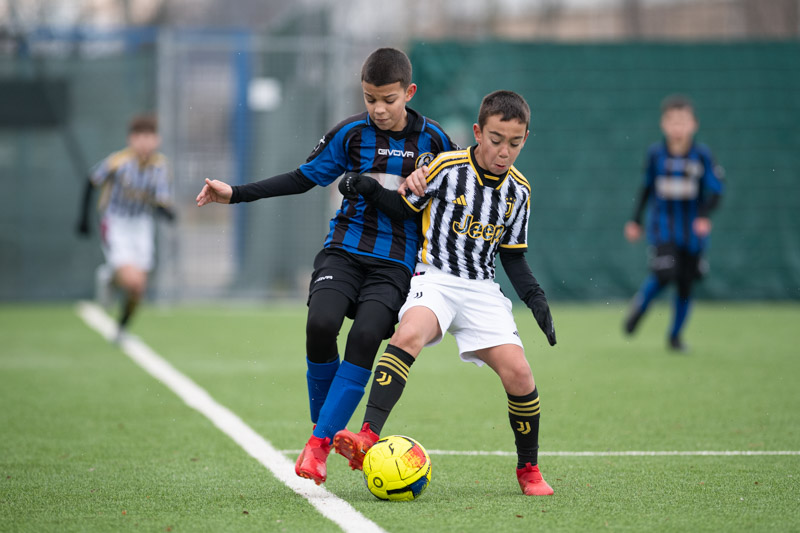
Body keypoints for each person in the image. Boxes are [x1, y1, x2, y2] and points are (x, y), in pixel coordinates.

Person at [195, 48, 456, 485]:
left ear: (409, 92)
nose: (378, 109)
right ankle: (328, 432)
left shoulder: (437, 142)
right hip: (344, 251)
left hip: (395, 263)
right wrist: (235, 193)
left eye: (388, 99)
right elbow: (302, 178)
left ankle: (317, 445)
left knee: (366, 336)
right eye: (370, 98)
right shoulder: (351, 133)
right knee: (320, 325)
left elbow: (462, 189)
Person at [333, 90, 558, 496]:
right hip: (434, 278)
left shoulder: (520, 191)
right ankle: (367, 435)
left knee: (520, 373)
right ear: (478, 132)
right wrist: (366, 187)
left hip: (482, 289)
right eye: (495, 139)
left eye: (514, 143)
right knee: (408, 335)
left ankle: (529, 469)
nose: (504, 151)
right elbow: (402, 207)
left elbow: (513, 257)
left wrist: (536, 299)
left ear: (526, 138)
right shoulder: (446, 168)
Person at [623, 94, 724, 351]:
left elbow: (716, 191)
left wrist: (704, 215)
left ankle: (675, 337)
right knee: (665, 273)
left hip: (692, 233)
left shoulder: (701, 156)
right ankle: (640, 306)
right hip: (663, 229)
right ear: (663, 124)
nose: (678, 127)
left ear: (694, 125)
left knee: (685, 283)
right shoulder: (656, 155)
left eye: (683, 121)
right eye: (672, 121)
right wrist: (635, 221)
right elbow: (646, 189)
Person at [77, 114, 176, 341]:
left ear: (157, 140)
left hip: (141, 225)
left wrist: (168, 213)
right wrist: (83, 219)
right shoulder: (118, 162)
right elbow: (91, 181)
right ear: (131, 139)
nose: (145, 142)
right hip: (116, 223)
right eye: (140, 136)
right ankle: (112, 275)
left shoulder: (161, 167)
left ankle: (121, 326)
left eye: (149, 136)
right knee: (132, 280)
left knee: (138, 289)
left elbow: (160, 200)